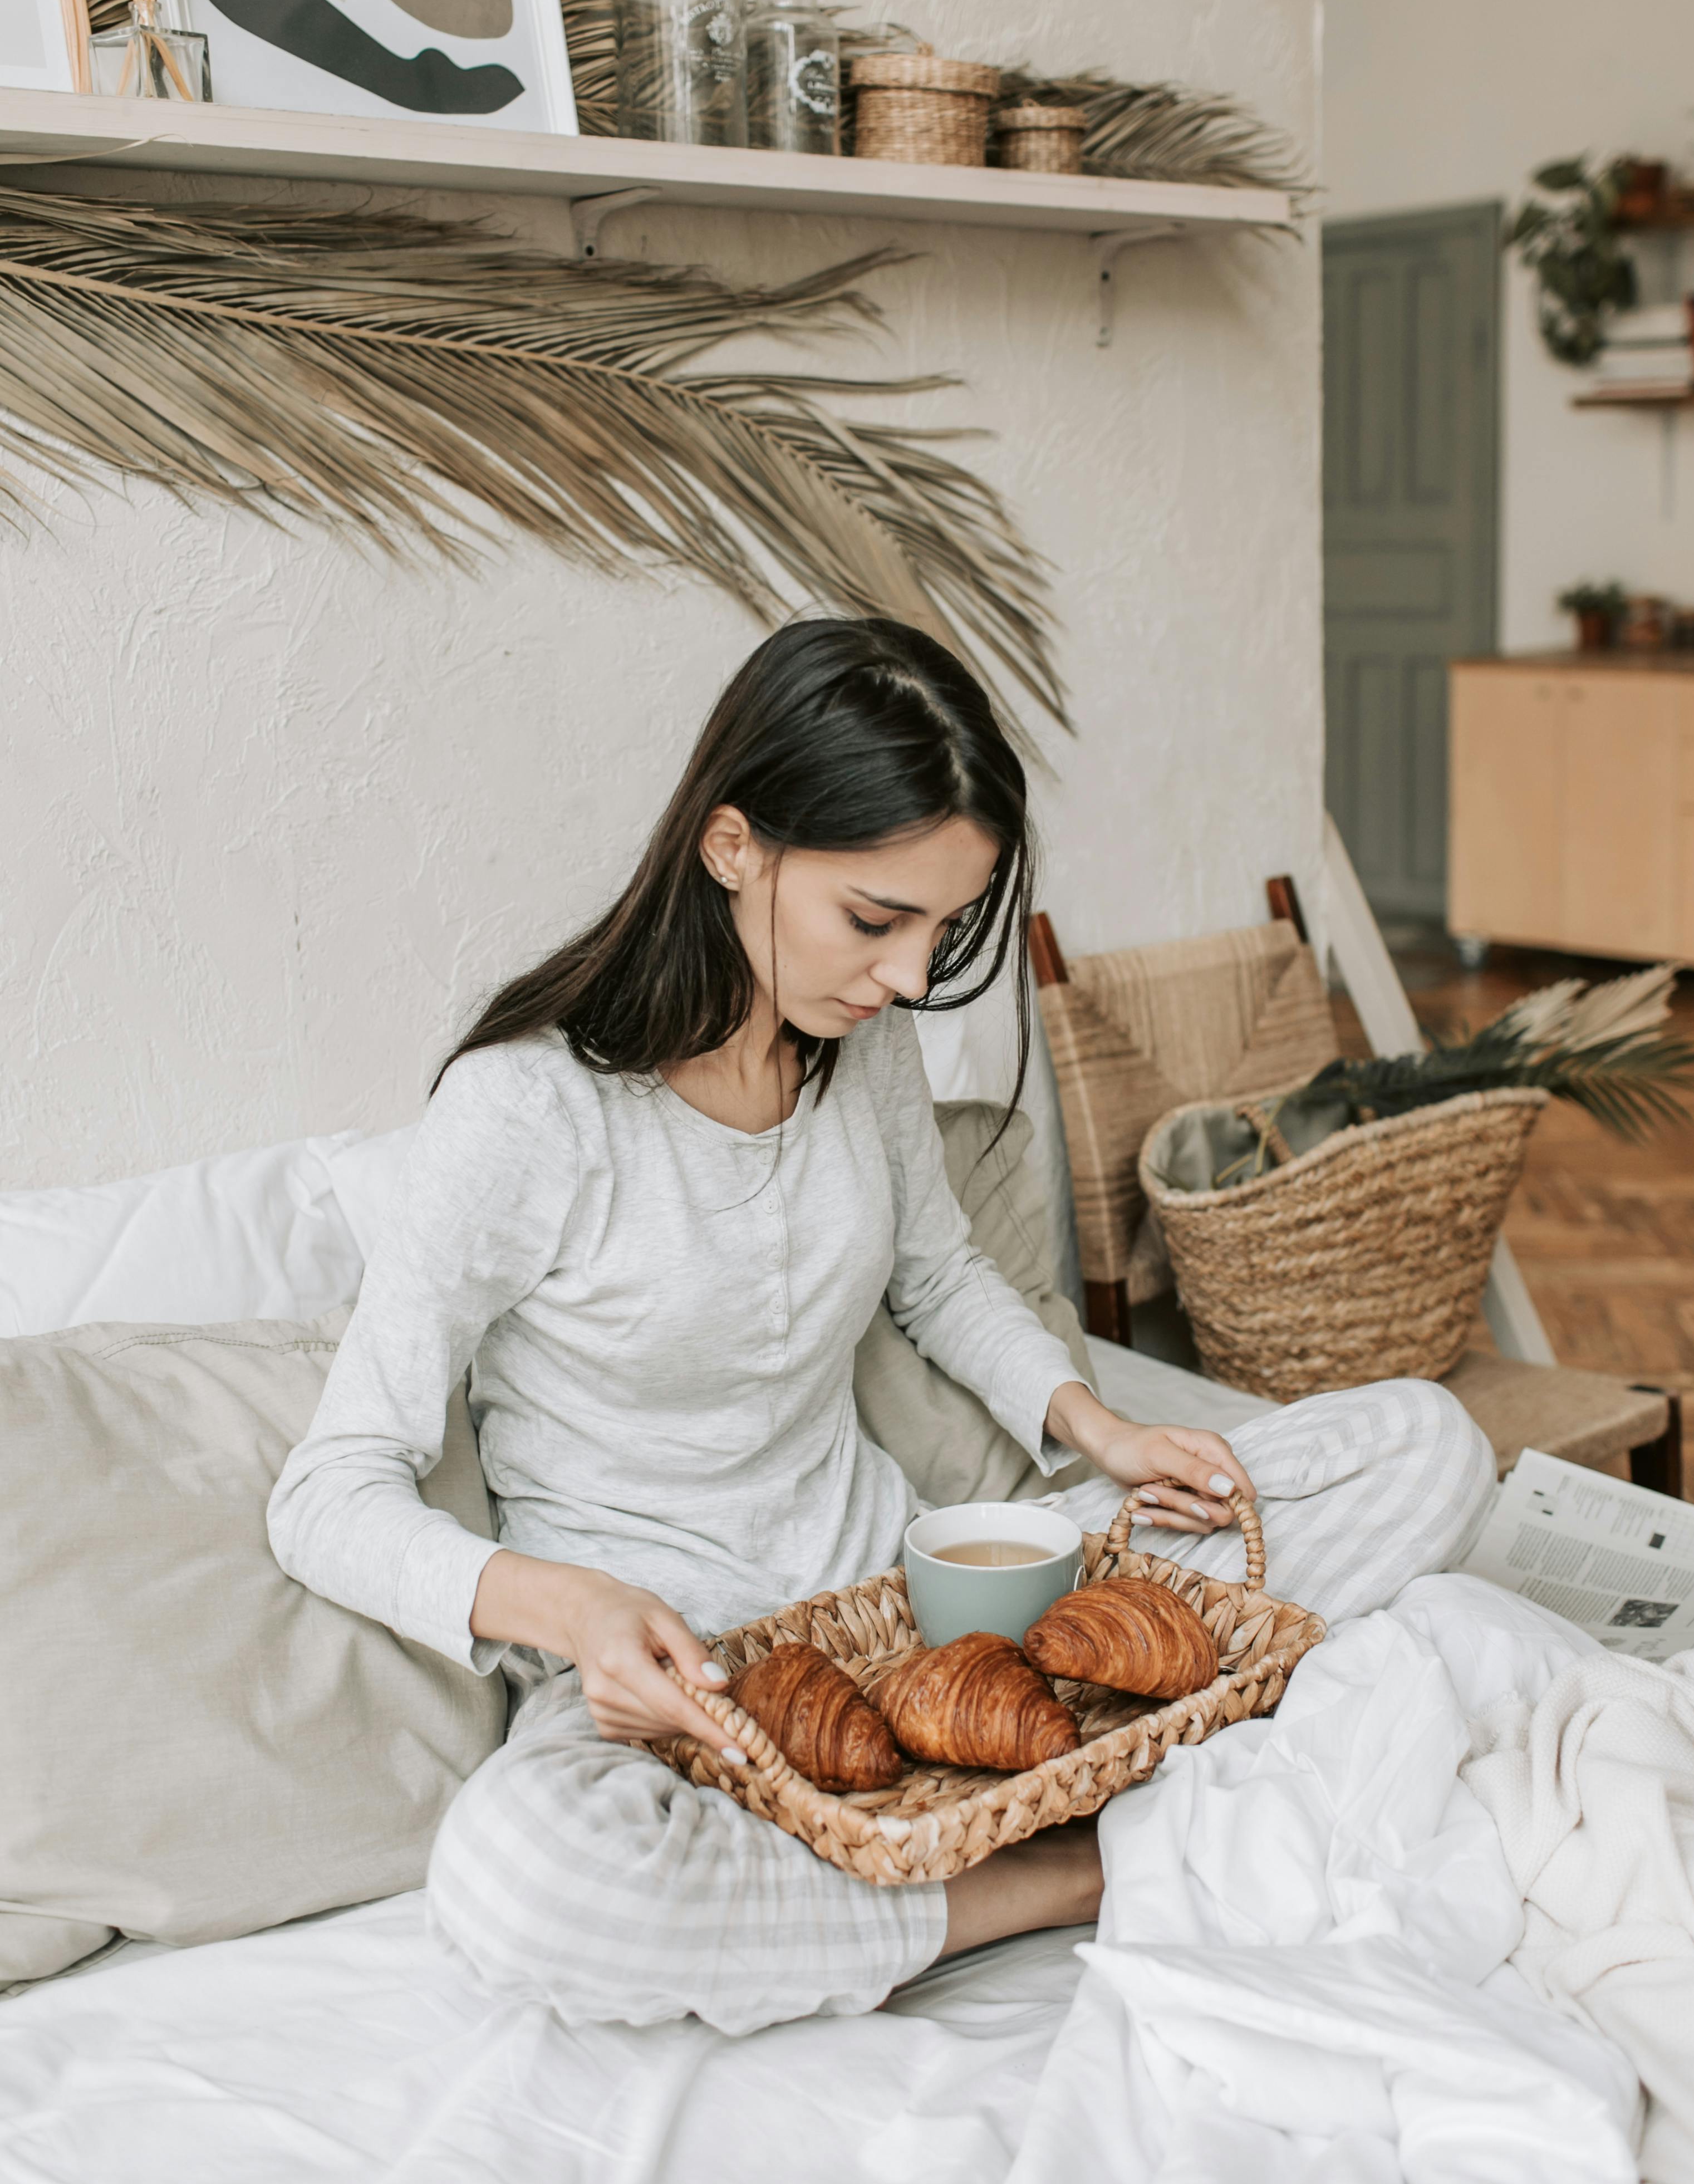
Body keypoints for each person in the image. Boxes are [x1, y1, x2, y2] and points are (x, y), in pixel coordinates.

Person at [269, 616, 1492, 2038]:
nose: (911, 977)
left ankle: (942, 1845)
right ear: (731, 845)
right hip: (696, 1697)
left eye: (941, 927)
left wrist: (1100, 1425)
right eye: (874, 919)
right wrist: (573, 1607)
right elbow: (326, 1493)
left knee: (1426, 1443)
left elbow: (937, 1274)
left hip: (924, 1615)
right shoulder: (525, 1112)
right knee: (524, 1883)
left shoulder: (861, 1047)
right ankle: (1062, 1868)